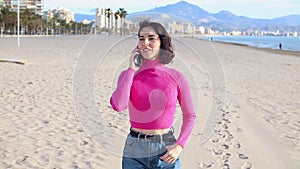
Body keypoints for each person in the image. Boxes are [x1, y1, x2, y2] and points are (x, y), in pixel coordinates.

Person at [110, 21, 196, 169]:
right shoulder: (127, 75)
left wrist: (179, 146)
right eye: (141, 38)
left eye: (151, 38)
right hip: (134, 149)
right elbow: (119, 105)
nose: (145, 43)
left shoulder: (177, 77)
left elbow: (190, 115)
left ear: (161, 42)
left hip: (166, 149)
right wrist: (131, 69)